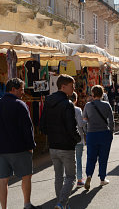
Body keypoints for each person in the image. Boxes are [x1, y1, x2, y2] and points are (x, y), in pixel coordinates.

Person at [0, 78, 39, 209]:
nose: (22, 92)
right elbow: (27, 128)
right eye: (21, 89)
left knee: (3, 179)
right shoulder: (20, 105)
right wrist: (30, 146)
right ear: (13, 89)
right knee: (26, 175)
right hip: (19, 148)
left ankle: (3, 207)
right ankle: (27, 204)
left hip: (2, 149)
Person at [40, 74, 81, 209]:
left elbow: (42, 125)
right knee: (70, 177)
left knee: (59, 177)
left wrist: (52, 135)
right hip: (66, 146)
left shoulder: (48, 101)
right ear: (63, 86)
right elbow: (71, 126)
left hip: (53, 145)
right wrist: (77, 138)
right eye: (71, 86)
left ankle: (62, 204)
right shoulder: (67, 104)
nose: (73, 88)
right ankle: (61, 203)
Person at [83, 85, 114, 190]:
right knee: (103, 158)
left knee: (91, 157)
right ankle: (102, 179)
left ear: (92, 94)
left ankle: (89, 175)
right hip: (104, 133)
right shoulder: (107, 105)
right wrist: (111, 132)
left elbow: (84, 118)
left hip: (91, 134)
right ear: (102, 94)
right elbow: (111, 120)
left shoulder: (88, 105)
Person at [71, 92, 87, 188]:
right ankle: (79, 179)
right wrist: (86, 120)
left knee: (69, 160)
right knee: (78, 159)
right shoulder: (77, 110)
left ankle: (69, 179)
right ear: (76, 100)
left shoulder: (64, 109)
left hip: (68, 139)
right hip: (78, 138)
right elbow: (80, 124)